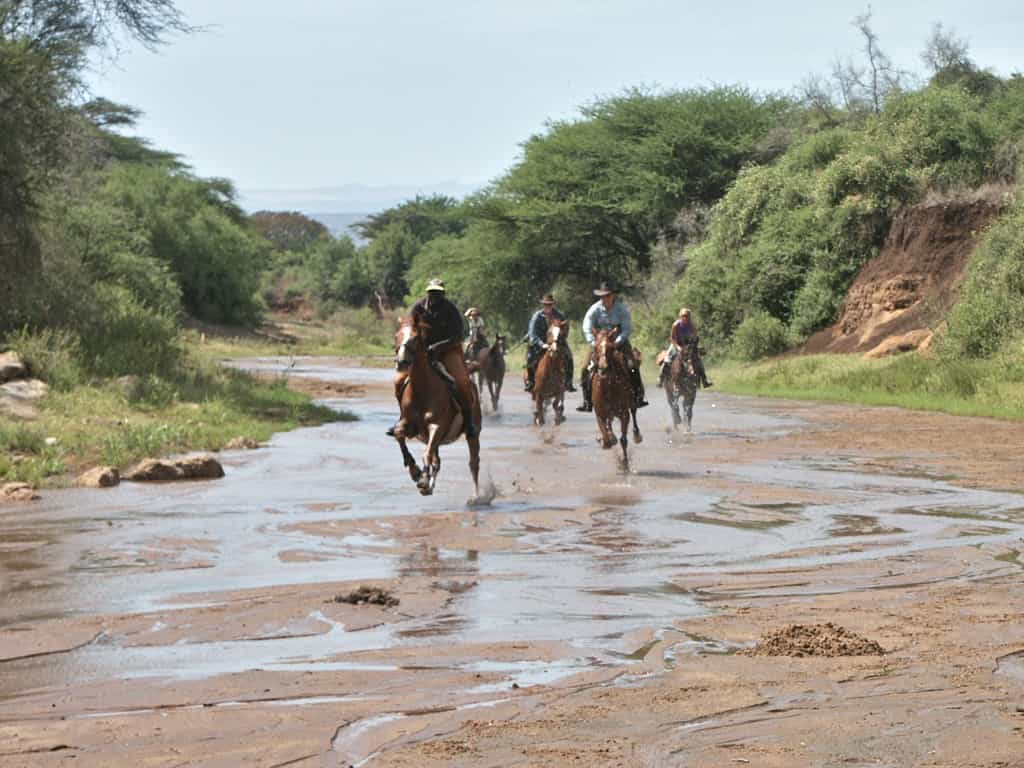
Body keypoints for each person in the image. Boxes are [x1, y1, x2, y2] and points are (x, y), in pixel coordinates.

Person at [395, 278, 480, 438]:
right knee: (399, 380)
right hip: (422, 351)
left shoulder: (451, 309)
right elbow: (410, 327)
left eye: (437, 292)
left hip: (448, 350)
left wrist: (438, 347)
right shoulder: (418, 307)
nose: (434, 295)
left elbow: (458, 335)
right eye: (432, 292)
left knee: (461, 381)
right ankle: (404, 418)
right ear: (427, 292)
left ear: (443, 293)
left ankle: (468, 422)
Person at [576, 281, 648, 412]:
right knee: (585, 368)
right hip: (599, 343)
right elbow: (587, 326)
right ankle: (587, 401)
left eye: (607, 295)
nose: (605, 298)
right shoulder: (594, 309)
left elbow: (626, 329)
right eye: (602, 296)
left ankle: (638, 396)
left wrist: (617, 342)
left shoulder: (622, 309)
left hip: (619, 343)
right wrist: (593, 342)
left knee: (632, 366)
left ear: (613, 295)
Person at [524, 294, 575, 393]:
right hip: (540, 342)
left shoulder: (559, 315)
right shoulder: (537, 316)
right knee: (530, 358)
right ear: (543, 305)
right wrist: (542, 344)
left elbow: (565, 328)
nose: (548, 306)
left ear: (553, 304)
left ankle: (569, 382)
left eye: (550, 304)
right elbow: (532, 333)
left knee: (569, 357)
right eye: (546, 304)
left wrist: (561, 338)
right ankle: (531, 381)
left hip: (556, 341)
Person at [658, 308, 712, 388]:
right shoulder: (676, 325)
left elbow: (696, 337)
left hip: (688, 344)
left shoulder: (692, 325)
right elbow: (672, 338)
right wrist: (678, 347)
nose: (685, 318)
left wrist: (694, 345)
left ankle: (705, 380)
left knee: (698, 359)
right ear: (680, 316)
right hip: (676, 343)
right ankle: (661, 378)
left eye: (687, 316)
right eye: (683, 316)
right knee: (667, 358)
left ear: (689, 317)